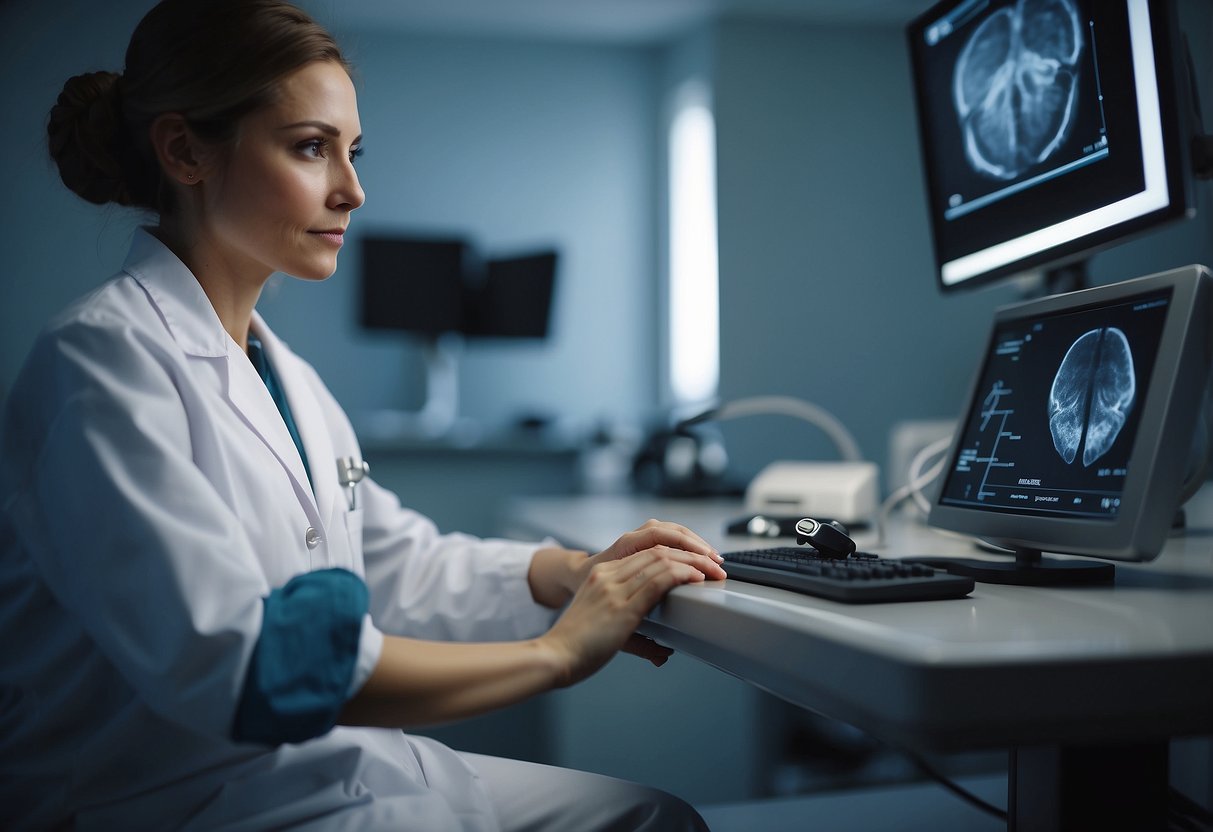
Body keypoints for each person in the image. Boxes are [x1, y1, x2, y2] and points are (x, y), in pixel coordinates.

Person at [0, 0, 728, 828]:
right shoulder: (99, 362)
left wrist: (567, 571)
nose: (353, 189)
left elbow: (389, 566)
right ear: (184, 150)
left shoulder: (286, 377)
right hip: (178, 803)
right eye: (311, 148)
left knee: (653, 817)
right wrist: (556, 654)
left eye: (350, 150)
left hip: (320, 773)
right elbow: (241, 662)